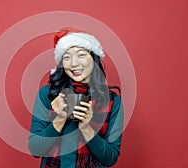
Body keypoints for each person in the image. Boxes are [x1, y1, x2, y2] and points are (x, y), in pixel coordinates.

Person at [28, 27, 124, 168]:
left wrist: (86, 128)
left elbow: (110, 158)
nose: (73, 64)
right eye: (66, 57)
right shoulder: (47, 95)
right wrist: (60, 118)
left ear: (94, 58)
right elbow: (35, 149)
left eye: (81, 55)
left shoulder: (111, 101)